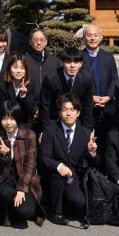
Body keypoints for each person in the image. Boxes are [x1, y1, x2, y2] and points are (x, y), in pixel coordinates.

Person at [40, 94, 99, 227]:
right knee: (58, 174)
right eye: (64, 109)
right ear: (60, 112)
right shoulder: (50, 130)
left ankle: (64, 201)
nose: (68, 113)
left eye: (72, 110)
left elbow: (94, 164)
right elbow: (45, 157)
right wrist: (59, 166)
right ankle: (56, 212)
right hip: (54, 175)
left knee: (79, 203)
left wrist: (91, 152)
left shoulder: (85, 133)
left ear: (78, 113)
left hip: (75, 176)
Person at [0, 102, 45, 229]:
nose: (8, 122)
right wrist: (3, 156)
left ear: (18, 118)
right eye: (4, 118)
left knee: (26, 212)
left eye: (12, 118)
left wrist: (22, 189)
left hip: (24, 178)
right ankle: (4, 215)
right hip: (4, 178)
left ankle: (14, 210)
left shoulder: (30, 135)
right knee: (3, 193)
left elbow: (31, 164)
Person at [40, 47, 95, 131]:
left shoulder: (87, 79)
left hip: (78, 121)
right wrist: (45, 130)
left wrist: (88, 131)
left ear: (81, 64)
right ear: (62, 63)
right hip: (55, 120)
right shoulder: (51, 79)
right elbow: (45, 106)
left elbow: (88, 106)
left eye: (76, 62)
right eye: (68, 62)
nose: (72, 66)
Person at [80, 24, 118, 133]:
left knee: (105, 142)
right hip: (86, 107)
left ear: (101, 37)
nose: (93, 38)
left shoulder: (108, 57)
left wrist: (108, 97)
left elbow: (115, 79)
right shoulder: (78, 57)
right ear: (83, 37)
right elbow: (77, 81)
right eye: (89, 35)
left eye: (96, 35)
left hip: (107, 107)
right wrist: (90, 97)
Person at [0, 54, 39, 130]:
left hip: (25, 125)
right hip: (8, 125)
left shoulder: (30, 84)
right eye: (15, 67)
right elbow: (3, 108)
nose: (18, 71)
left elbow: (31, 108)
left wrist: (23, 96)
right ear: (9, 68)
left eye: (22, 68)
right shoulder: (3, 85)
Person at [23, 27, 61, 95]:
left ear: (46, 42)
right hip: (30, 102)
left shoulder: (55, 61)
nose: (39, 43)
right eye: (36, 40)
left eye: (42, 40)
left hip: (50, 102)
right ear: (30, 42)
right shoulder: (24, 60)